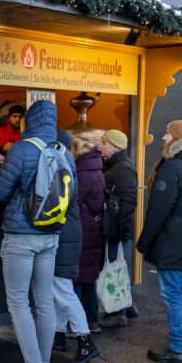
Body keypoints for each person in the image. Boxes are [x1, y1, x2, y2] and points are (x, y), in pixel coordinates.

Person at [0, 100, 72, 363]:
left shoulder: (23, 149)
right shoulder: (64, 151)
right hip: (51, 235)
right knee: (44, 301)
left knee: (18, 303)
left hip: (21, 237)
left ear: (31, 120)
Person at [138, 120, 182, 363]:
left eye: (167, 133)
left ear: (178, 137)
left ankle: (178, 348)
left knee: (174, 296)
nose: (163, 137)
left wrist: (144, 242)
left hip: (172, 240)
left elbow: (158, 210)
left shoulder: (172, 167)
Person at [52, 130, 100, 363]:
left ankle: (85, 340)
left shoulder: (66, 171)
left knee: (62, 289)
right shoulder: (75, 169)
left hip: (65, 238)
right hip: (72, 236)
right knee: (61, 288)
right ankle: (59, 334)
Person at [98, 129, 139, 328]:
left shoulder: (122, 168)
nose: (101, 146)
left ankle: (117, 313)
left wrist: (119, 229)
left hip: (118, 228)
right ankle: (126, 305)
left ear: (114, 146)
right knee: (118, 266)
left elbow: (128, 202)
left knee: (115, 268)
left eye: (104, 143)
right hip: (118, 227)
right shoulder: (118, 165)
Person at [72, 135, 106, 333]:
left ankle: (76, 324)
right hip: (93, 228)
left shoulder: (82, 173)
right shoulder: (95, 169)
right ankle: (92, 320)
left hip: (83, 229)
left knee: (77, 278)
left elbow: (72, 200)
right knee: (89, 278)